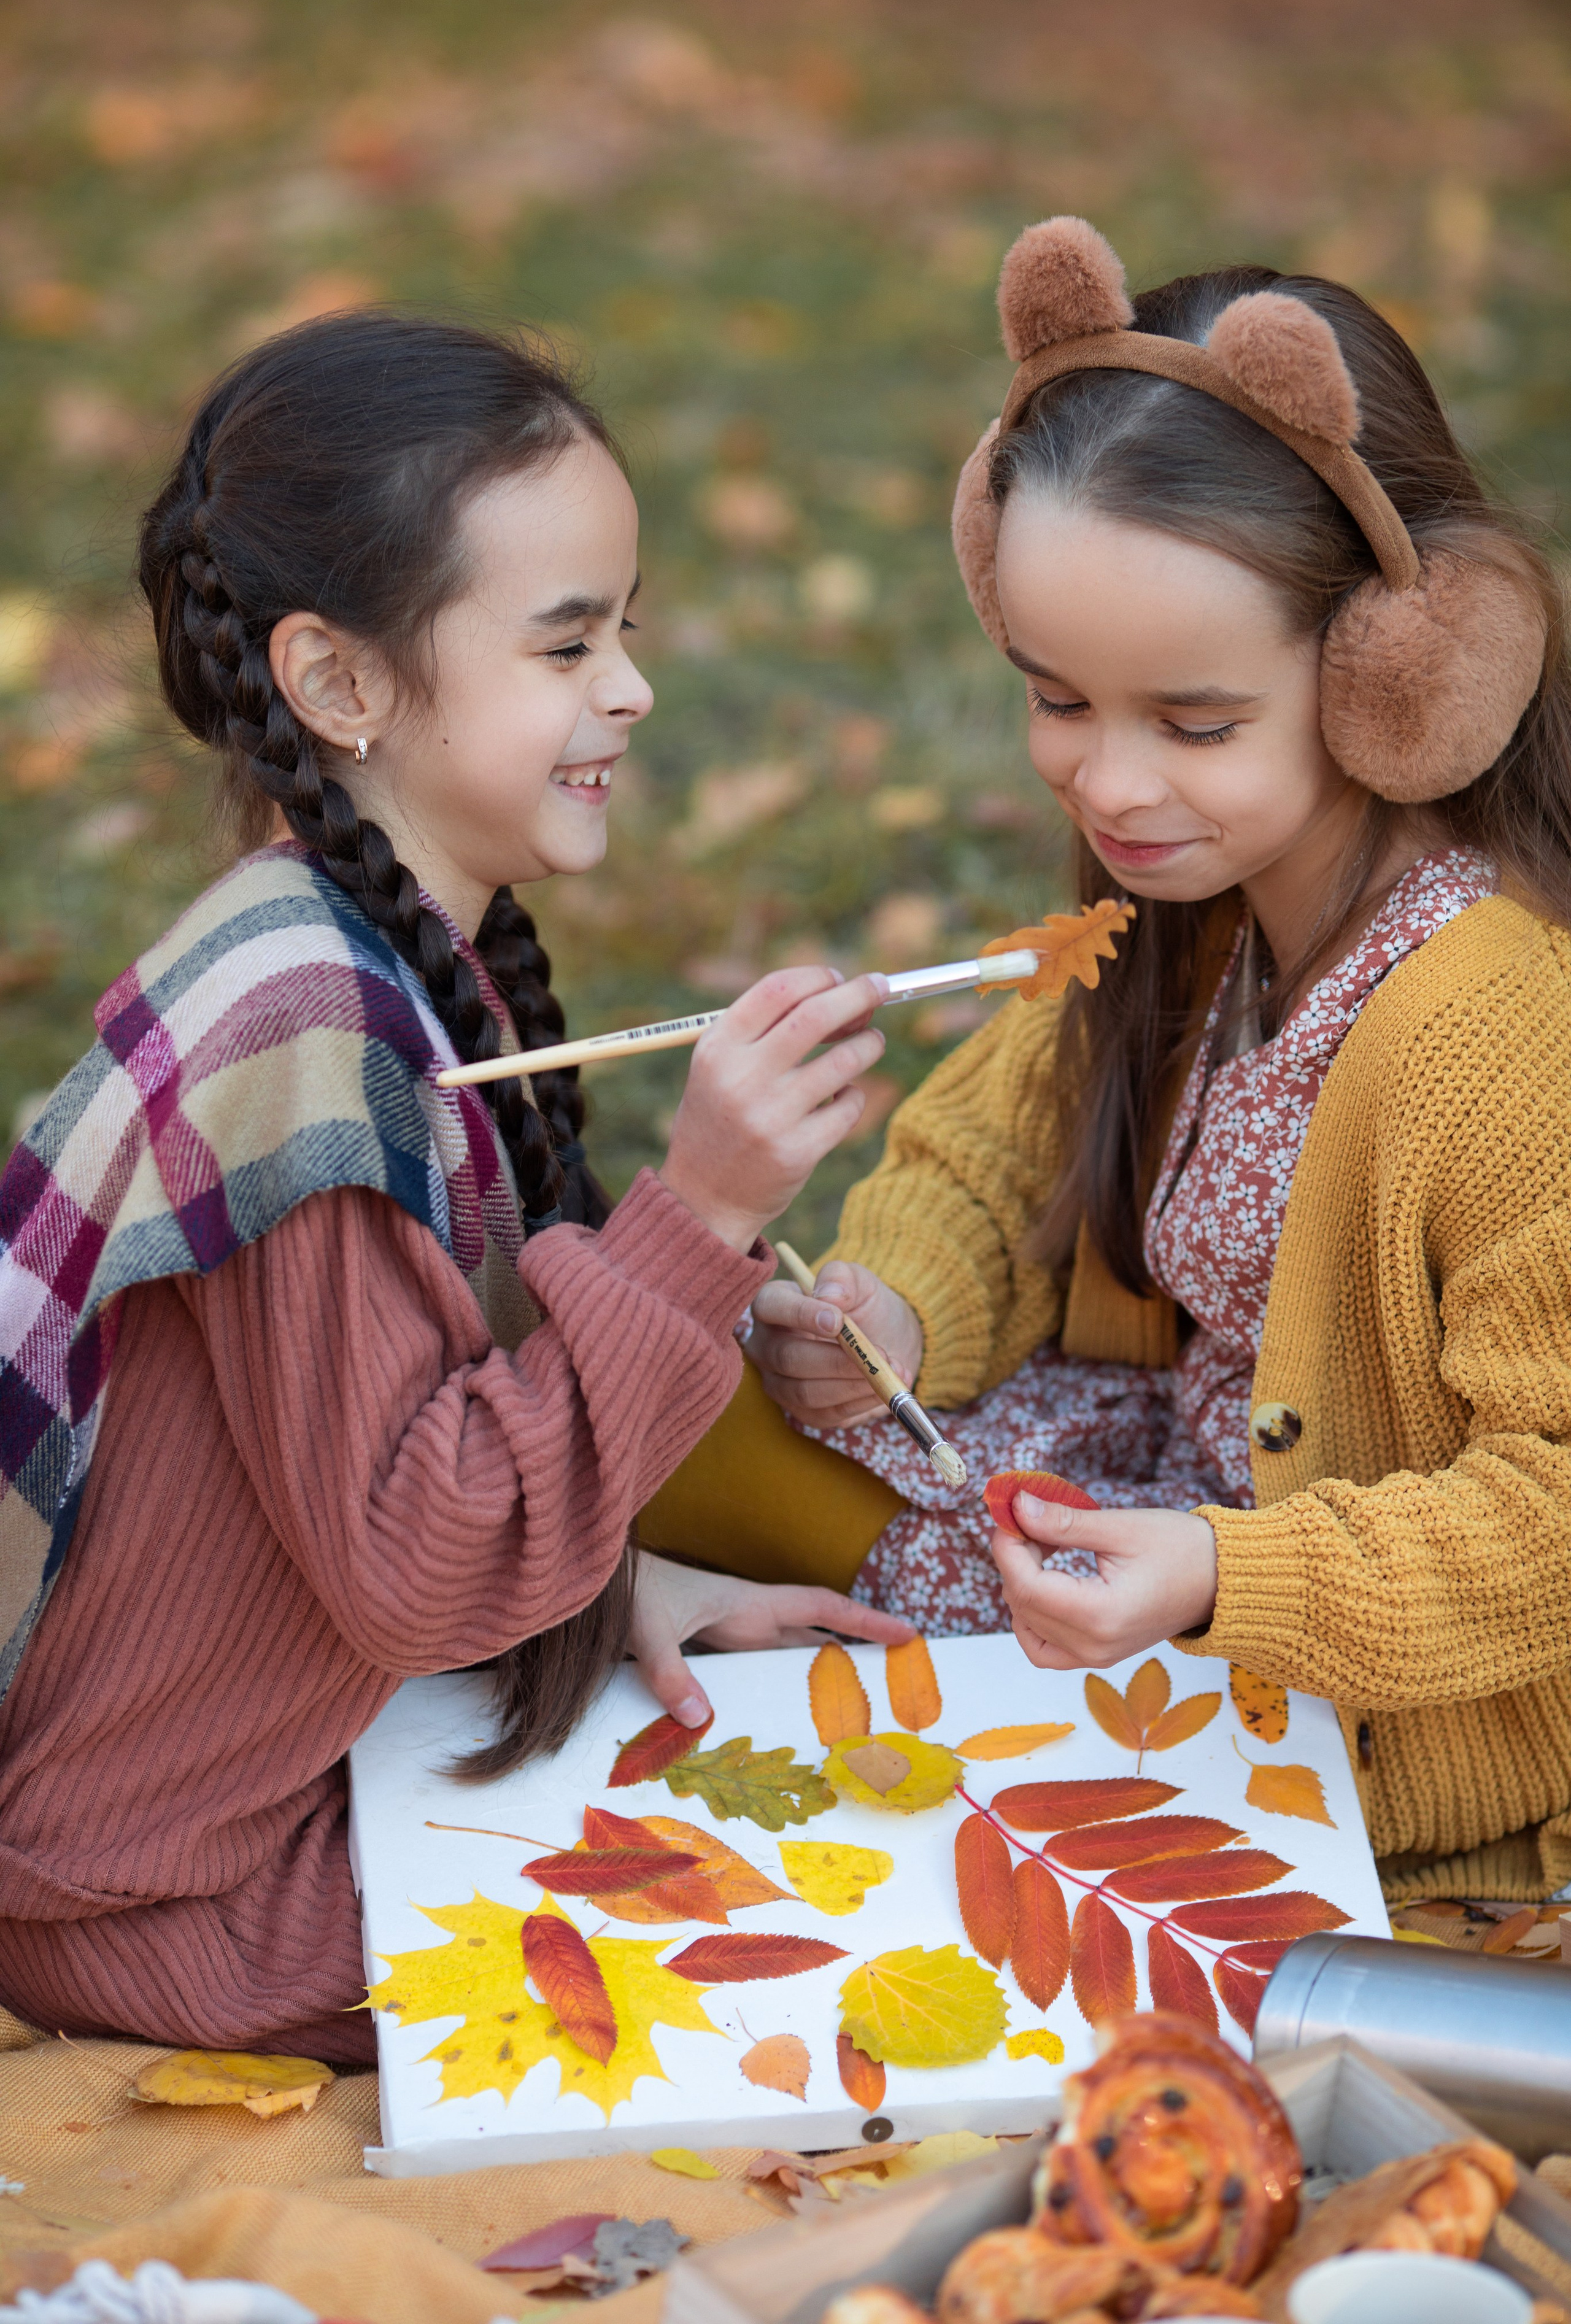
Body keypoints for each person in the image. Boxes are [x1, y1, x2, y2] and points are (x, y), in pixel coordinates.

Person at [0, 313, 912, 2059]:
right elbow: (421, 1566)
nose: (631, 689)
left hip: (273, 1771)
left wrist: (631, 1602)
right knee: (806, 1928)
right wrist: (699, 1216)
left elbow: (367, 1459)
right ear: (342, 686)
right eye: (566, 643)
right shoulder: (307, 1051)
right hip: (166, 1893)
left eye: (623, 631)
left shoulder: (390, 961)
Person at [736, 216, 1571, 1907]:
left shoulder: (1499, 1031)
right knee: (655, 1387)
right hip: (1154, 1515)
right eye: (1059, 701)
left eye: (1193, 724)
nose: (1112, 786)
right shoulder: (1186, 910)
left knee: (702, 1561)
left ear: (1393, 680)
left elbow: (1554, 1506)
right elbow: (990, 1159)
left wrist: (1218, 1576)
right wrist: (891, 1309)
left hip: (1346, 1651)